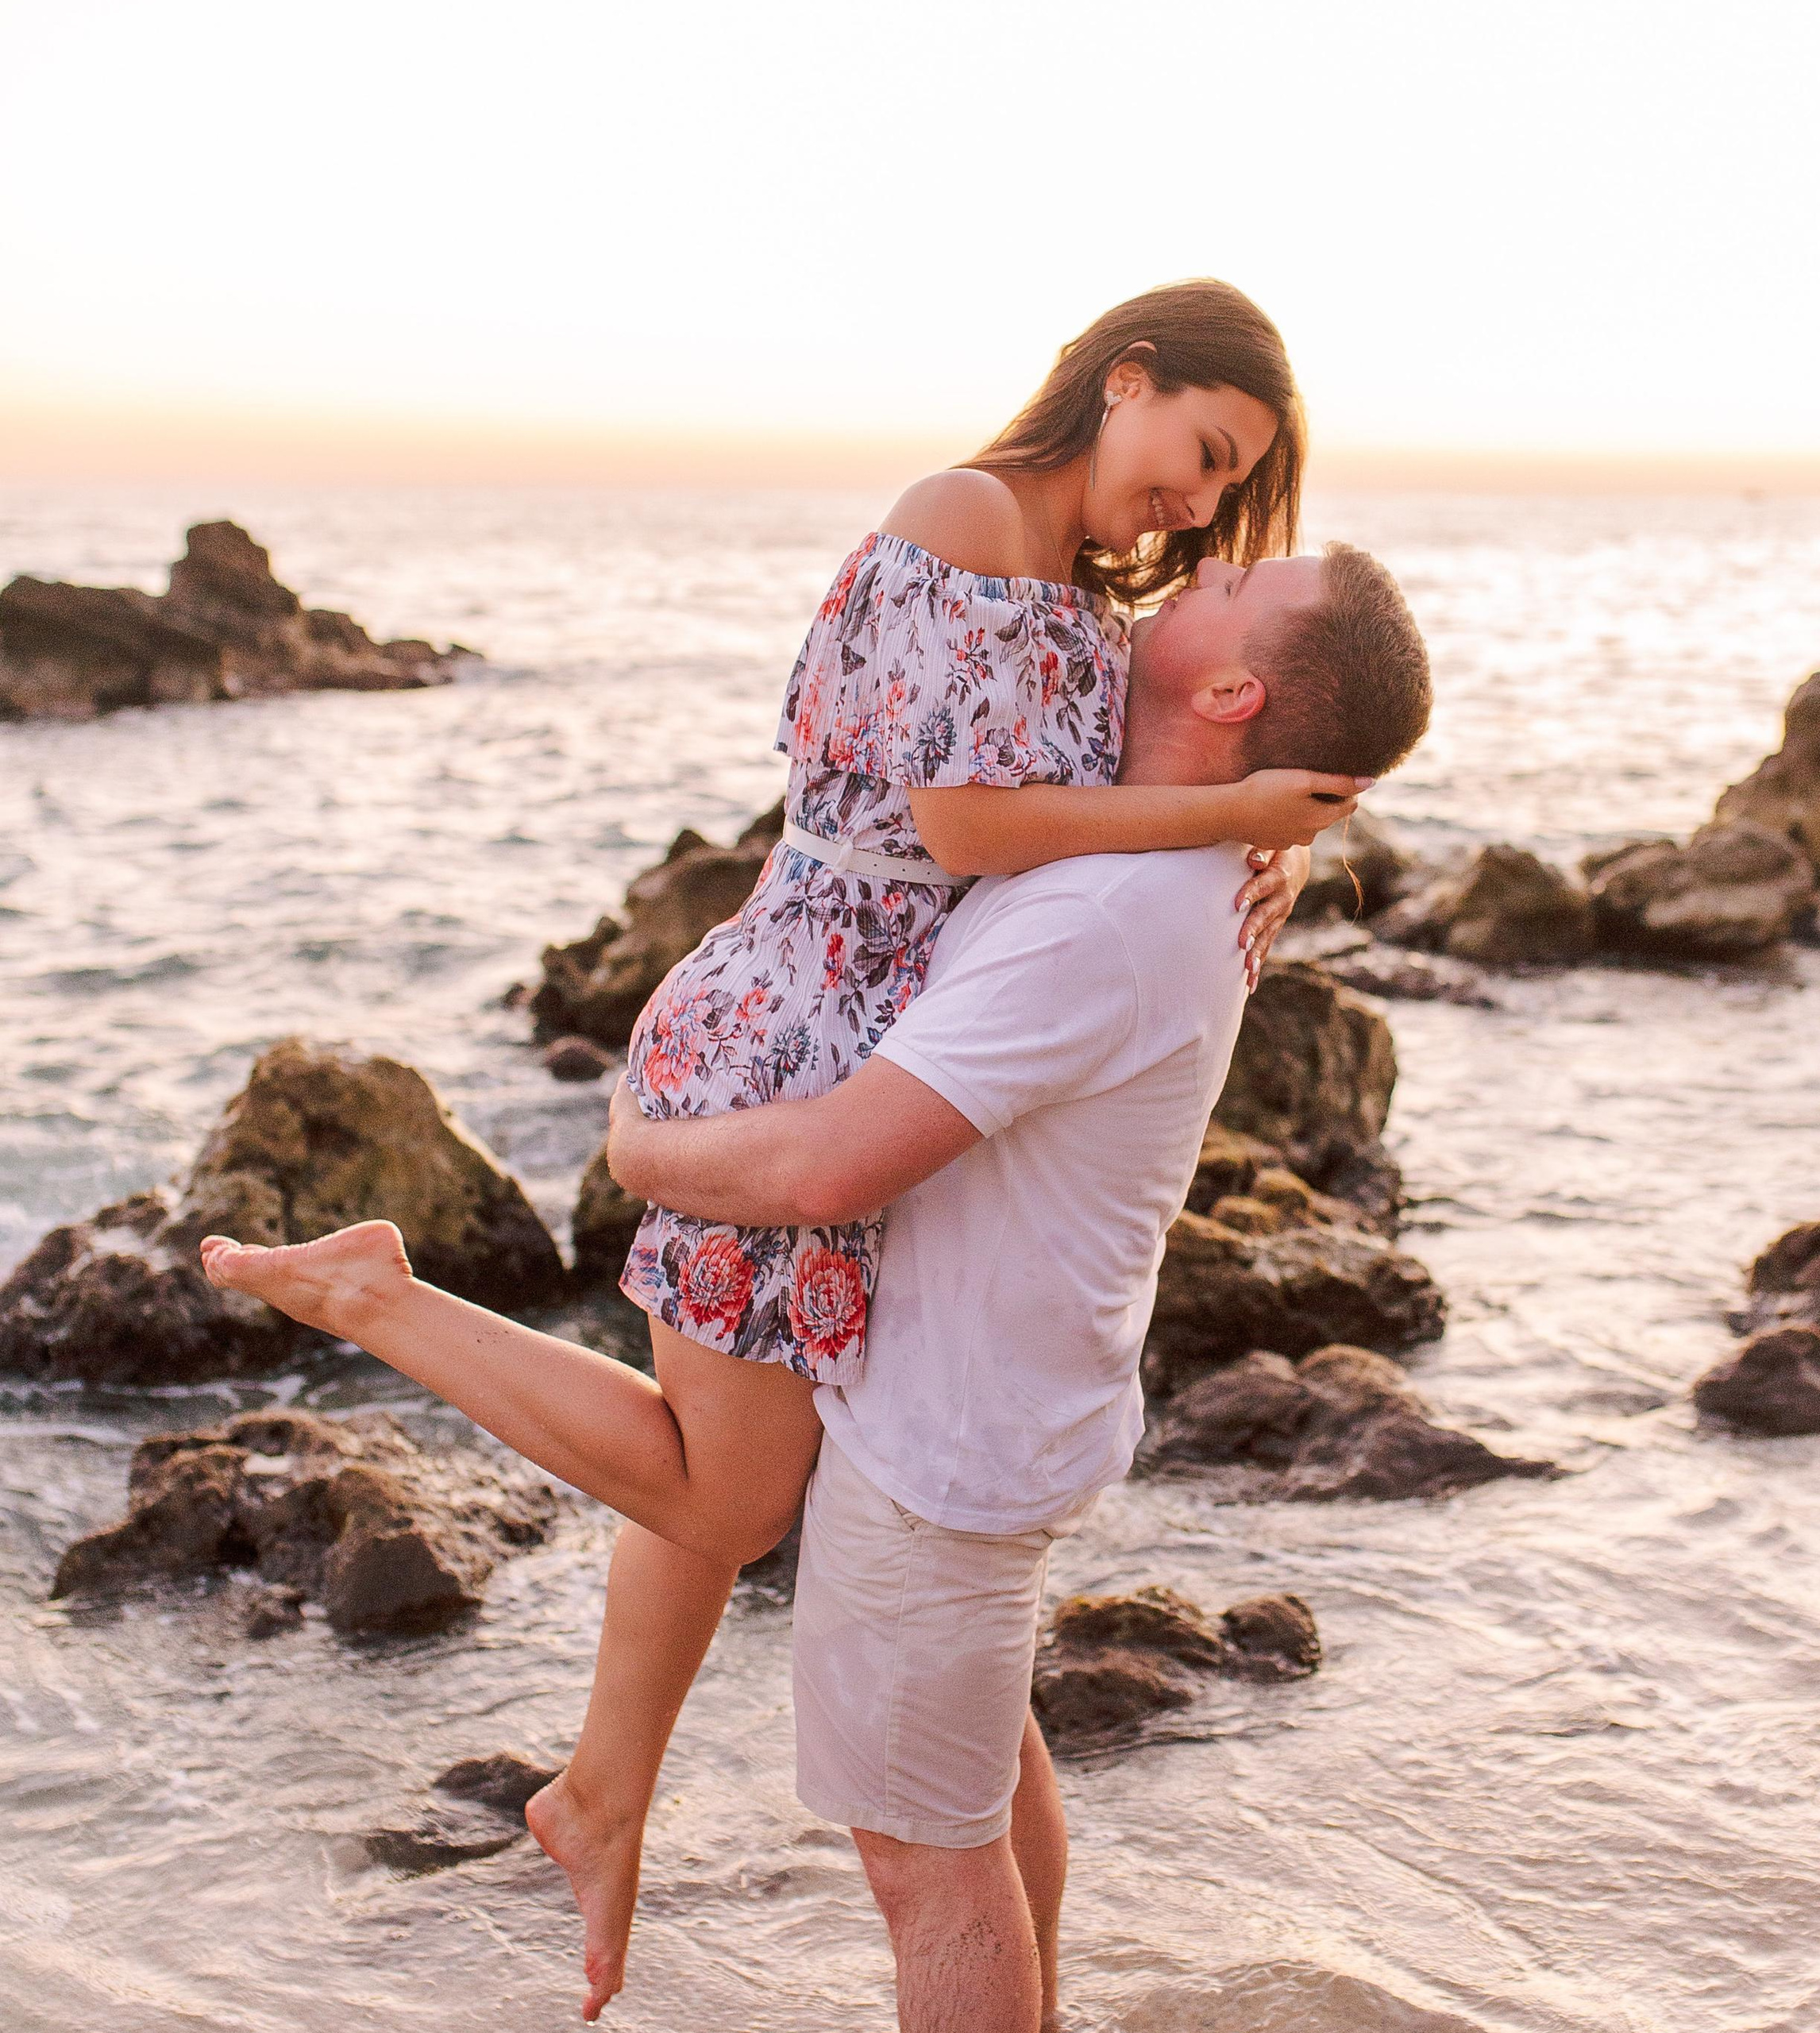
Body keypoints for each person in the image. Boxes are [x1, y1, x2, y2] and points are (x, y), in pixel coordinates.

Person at [198, 540, 1434, 2027]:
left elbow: (833, 1170)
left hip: (941, 1448)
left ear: (1235, 687)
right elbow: (1004, 729)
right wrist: (1270, 825)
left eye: (1240, 586)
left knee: (927, 1871)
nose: (1207, 563)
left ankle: (382, 1310)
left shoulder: (1111, 916)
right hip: (996, 1413)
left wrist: (642, 1153)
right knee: (976, 1788)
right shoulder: (1149, 850)